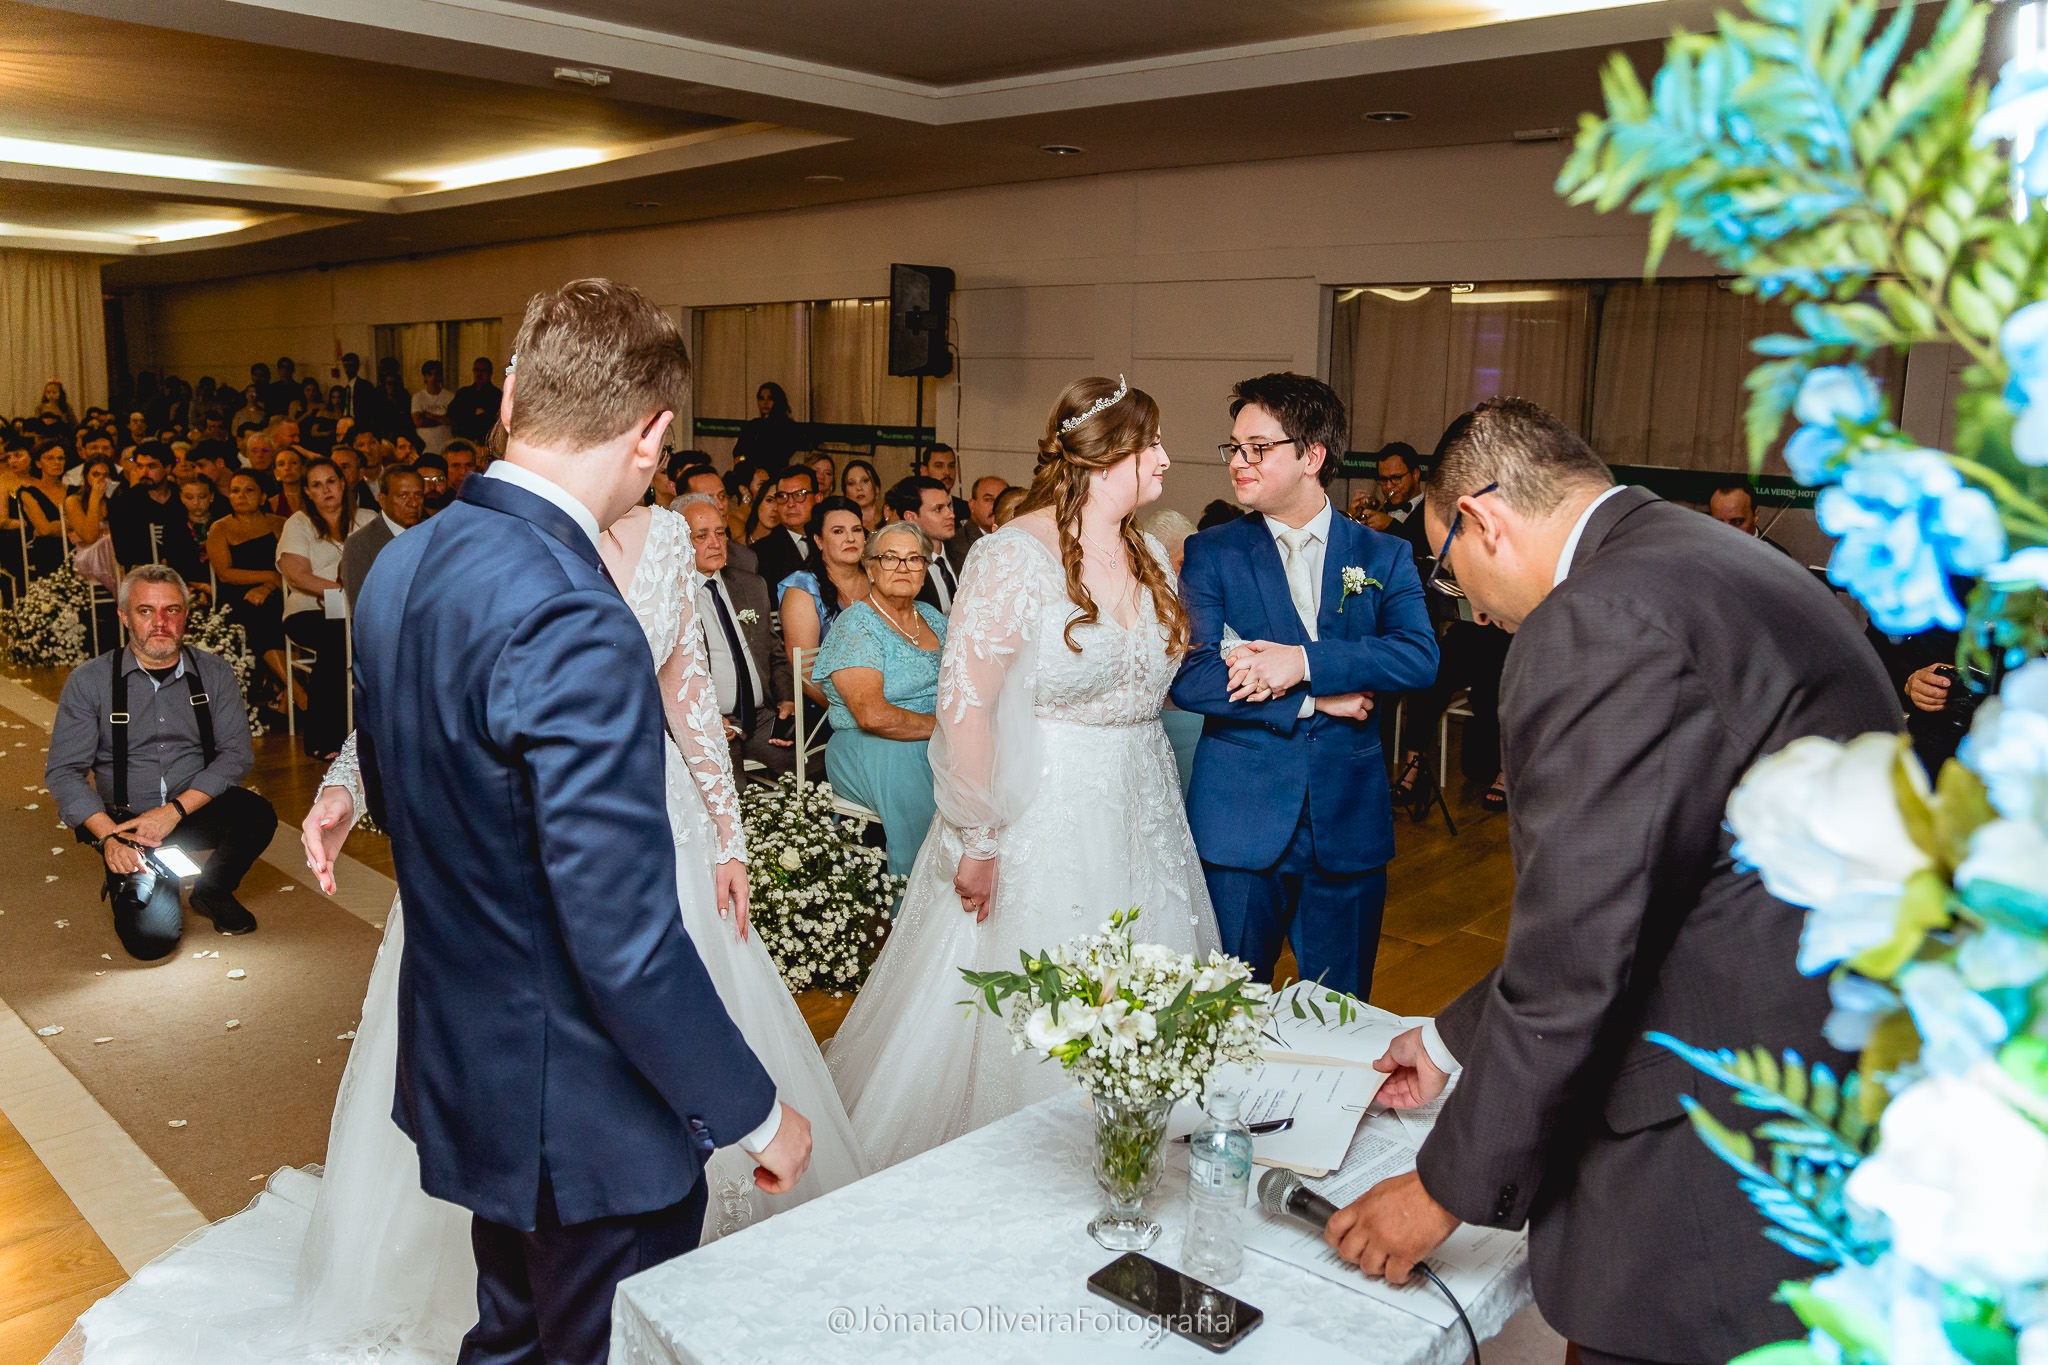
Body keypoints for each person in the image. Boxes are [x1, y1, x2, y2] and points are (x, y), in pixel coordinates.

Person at [1329, 397, 1902, 1365]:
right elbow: (1662, 882)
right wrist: (1448, 1034)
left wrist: (1439, 1191)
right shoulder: (1707, 558)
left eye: (1446, 566)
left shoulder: (1593, 618)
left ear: (1481, 519)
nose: (1463, 600)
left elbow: (1583, 949)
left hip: (1716, 1124)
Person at [350, 278, 811, 1363]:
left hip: (472, 1055)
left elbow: (416, 814)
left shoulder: (401, 564)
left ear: (510, 394)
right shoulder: (570, 606)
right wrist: (752, 1111)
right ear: (652, 435)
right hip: (586, 1104)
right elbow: (622, 935)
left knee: (512, 1335)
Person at [828, 375, 1221, 1169]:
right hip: (1046, 801)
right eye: (1152, 445)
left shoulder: (1145, 552)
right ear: (1108, 455)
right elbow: (967, 700)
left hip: (1142, 797)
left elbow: (1147, 671)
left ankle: (1131, 1145)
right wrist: (979, 833)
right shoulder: (1012, 555)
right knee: (1032, 989)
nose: (1167, 459)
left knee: (1142, 979)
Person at [1171, 372, 1439, 1000]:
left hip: (1346, 823)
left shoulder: (1382, 555)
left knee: (1342, 1016)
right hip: (1240, 823)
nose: (1239, 463)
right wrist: (1312, 698)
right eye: (1234, 448)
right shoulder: (1212, 552)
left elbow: (1418, 657)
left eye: (1257, 448)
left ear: (1312, 456)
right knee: (1225, 1019)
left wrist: (1306, 661)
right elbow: (1193, 675)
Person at [46, 564, 275, 959]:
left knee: (257, 815)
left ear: (186, 614)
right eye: (146, 611)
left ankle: (211, 890)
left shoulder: (214, 673)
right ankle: (154, 874)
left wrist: (173, 812)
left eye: (171, 610)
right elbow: (64, 772)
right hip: (126, 824)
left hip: (191, 808)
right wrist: (109, 838)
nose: (161, 623)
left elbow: (236, 753)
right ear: (124, 617)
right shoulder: (90, 681)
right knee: (151, 942)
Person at [809, 520, 947, 879]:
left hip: (935, 737)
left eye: (914, 559)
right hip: (870, 744)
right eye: (890, 558)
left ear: (925, 569)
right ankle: (917, 908)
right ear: (870, 567)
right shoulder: (857, 625)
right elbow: (871, 715)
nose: (903, 568)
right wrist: (947, 729)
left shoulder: (932, 617)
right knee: (922, 793)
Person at [682, 496, 793, 778]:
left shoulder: (750, 585)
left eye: (720, 532)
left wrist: (787, 699)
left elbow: (775, 654)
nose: (715, 542)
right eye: (701, 536)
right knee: (730, 793)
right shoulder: (672, 599)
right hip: (707, 721)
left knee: (817, 758)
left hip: (760, 714)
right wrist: (705, 717)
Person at [277, 457, 375, 759]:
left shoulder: (369, 518)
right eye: (317, 485)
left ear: (343, 483)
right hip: (309, 610)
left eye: (331, 481)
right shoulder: (299, 523)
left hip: (362, 611)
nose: (326, 490)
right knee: (336, 641)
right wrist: (342, 590)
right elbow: (296, 574)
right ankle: (325, 737)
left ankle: (376, 733)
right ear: (307, 491)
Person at [207, 472, 296, 713]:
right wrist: (268, 577)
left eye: (249, 490)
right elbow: (225, 573)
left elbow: (288, 565)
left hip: (277, 591)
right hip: (237, 595)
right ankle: (297, 690)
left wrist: (269, 584)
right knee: (260, 613)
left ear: (263, 496)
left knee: (274, 607)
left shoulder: (279, 524)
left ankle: (291, 690)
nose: (241, 496)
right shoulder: (220, 527)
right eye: (235, 490)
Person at [778, 496, 870, 706]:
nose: (850, 538)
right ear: (819, 540)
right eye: (838, 531)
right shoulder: (803, 588)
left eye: (856, 530)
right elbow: (806, 675)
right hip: (829, 709)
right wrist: (852, 712)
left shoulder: (879, 580)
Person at [340, 465, 425, 612]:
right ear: (382, 499)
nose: (413, 503)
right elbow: (362, 609)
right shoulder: (360, 544)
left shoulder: (434, 536)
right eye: (403, 496)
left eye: (418, 495)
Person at [885, 474, 963, 613]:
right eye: (938, 509)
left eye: (949, 506)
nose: (950, 514)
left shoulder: (965, 557)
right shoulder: (901, 569)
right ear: (911, 518)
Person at [109, 441, 186, 569]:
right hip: (144, 572)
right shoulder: (124, 503)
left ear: (167, 468)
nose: (144, 473)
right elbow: (124, 553)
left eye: (151, 466)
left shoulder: (183, 497)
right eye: (140, 466)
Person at [678, 464, 756, 575]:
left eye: (722, 496)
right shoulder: (666, 563)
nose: (720, 505)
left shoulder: (746, 559)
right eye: (707, 499)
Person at [753, 464, 820, 592]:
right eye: (782, 496)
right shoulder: (759, 553)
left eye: (799, 494)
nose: (790, 504)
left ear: (818, 498)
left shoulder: (831, 540)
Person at [15, 440, 69, 574]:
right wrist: (76, 525)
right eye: (50, 458)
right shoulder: (27, 492)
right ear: (38, 463)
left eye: (60, 458)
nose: (56, 462)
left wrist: (54, 526)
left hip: (77, 549)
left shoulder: (73, 490)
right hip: (48, 552)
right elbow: (44, 529)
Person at [919, 442, 981, 555]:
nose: (947, 472)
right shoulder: (916, 507)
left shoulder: (967, 508)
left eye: (951, 466)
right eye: (939, 466)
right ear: (924, 470)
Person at [733, 380, 804, 467]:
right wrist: (744, 458)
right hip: (748, 471)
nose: (765, 403)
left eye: (770, 399)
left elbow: (776, 455)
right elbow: (738, 452)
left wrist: (746, 457)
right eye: (762, 398)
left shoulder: (787, 427)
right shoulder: (752, 425)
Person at [446, 356, 502, 443]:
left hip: (486, 443)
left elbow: (495, 418)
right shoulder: (463, 393)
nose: (479, 374)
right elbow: (452, 413)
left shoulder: (496, 395)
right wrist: (472, 412)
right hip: (465, 441)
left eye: (483, 370)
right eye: (476, 370)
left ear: (490, 373)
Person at [841, 457, 885, 531]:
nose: (859, 488)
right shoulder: (841, 524)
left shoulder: (892, 522)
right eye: (851, 483)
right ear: (845, 493)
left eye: (865, 481)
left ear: (877, 488)